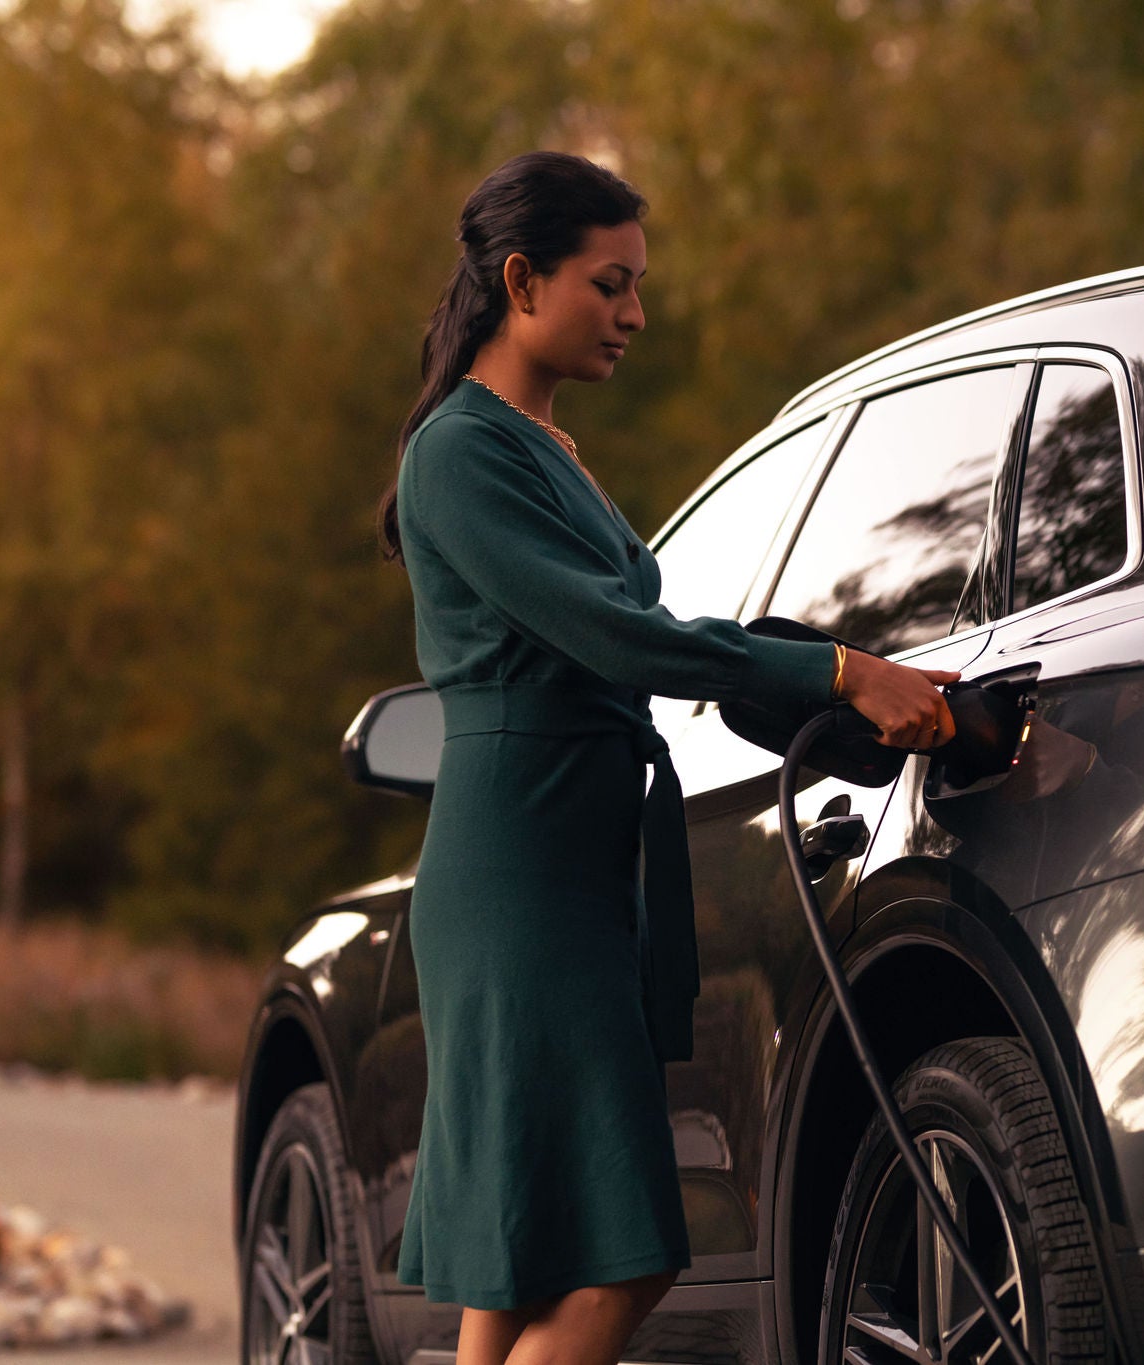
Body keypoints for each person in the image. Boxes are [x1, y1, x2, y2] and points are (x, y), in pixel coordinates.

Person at [373, 150, 959, 1365]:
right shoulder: (460, 452)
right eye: (611, 284)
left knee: (524, 1257)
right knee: (619, 1260)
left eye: (638, 286)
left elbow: (625, 633)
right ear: (522, 281)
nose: (636, 314)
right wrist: (840, 672)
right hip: (521, 871)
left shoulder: (542, 447)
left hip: (577, 865)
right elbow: (612, 633)